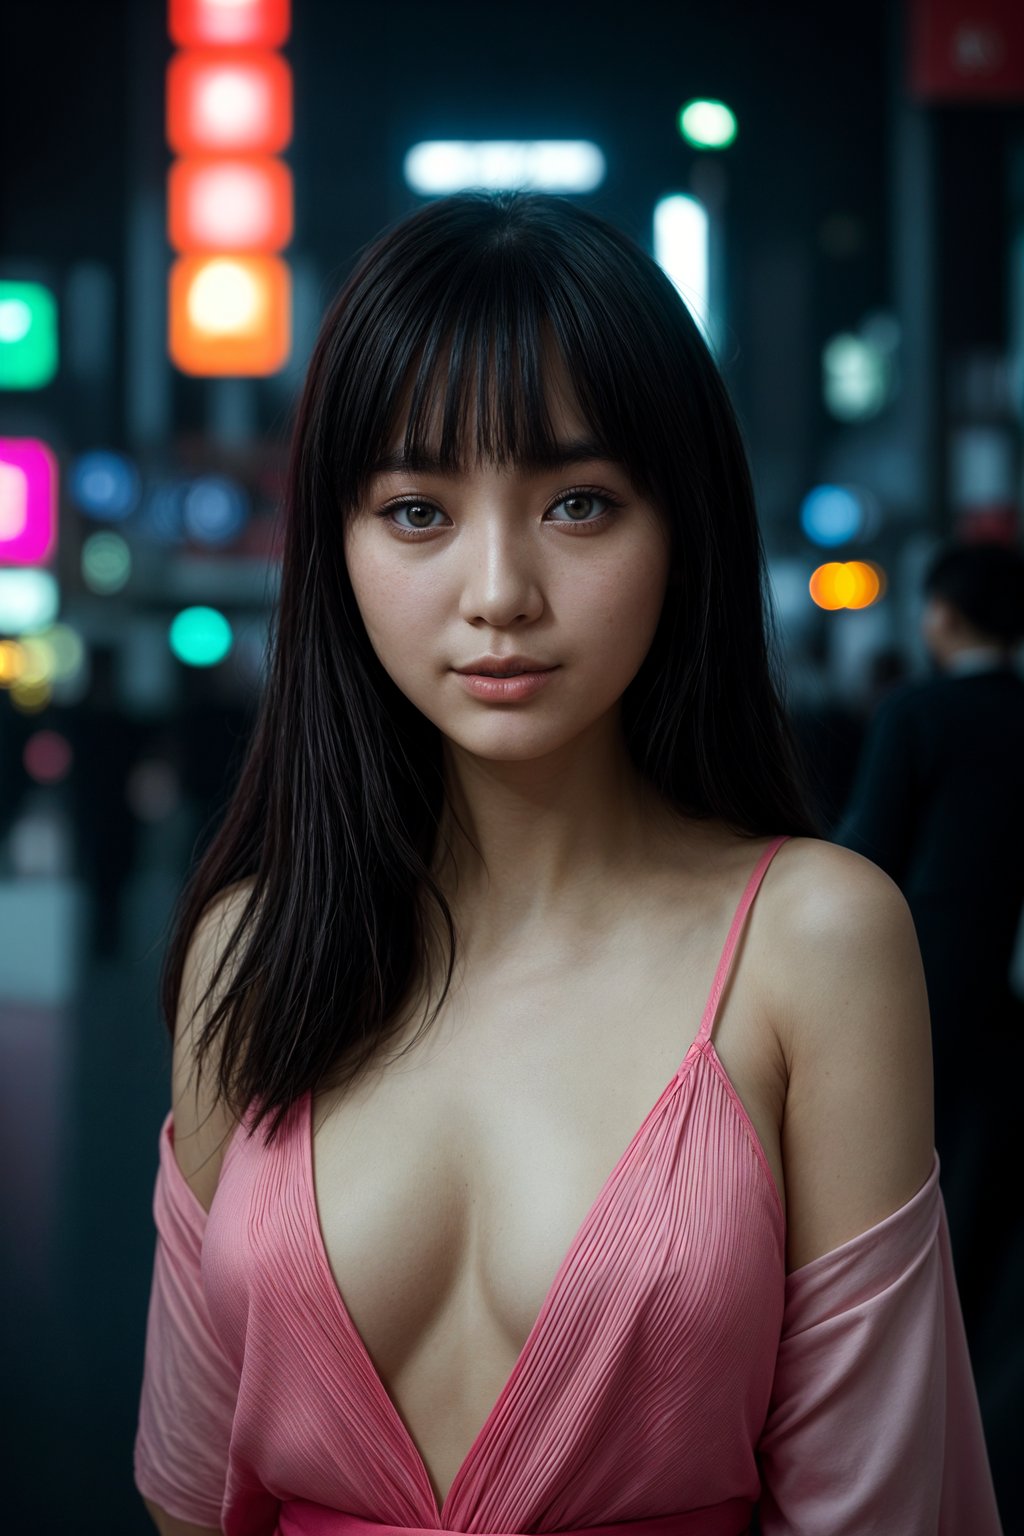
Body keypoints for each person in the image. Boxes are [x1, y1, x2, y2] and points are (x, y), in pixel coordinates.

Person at [133, 192, 1002, 1536]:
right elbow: (192, 1499)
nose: (499, 589)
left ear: (684, 529)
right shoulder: (248, 953)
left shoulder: (811, 942)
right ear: (338, 549)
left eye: (580, 502)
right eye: (417, 510)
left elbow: (879, 1512)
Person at [834, 539, 1024, 1517]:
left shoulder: (916, 712)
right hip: (1002, 1002)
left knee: (903, 1210)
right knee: (991, 1222)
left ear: (941, 616)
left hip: (910, 990)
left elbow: (866, 849)